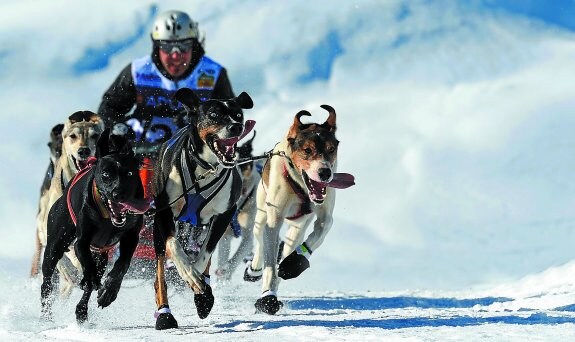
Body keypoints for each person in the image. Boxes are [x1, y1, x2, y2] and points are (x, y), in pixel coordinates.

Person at [98, 10, 236, 272]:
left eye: (183, 47)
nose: (175, 55)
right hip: (141, 149)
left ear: (194, 45)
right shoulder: (139, 71)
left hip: (193, 154)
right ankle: (116, 244)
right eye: (167, 47)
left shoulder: (213, 74)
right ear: (156, 47)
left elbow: (230, 117)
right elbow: (109, 106)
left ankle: (198, 244)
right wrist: (117, 128)